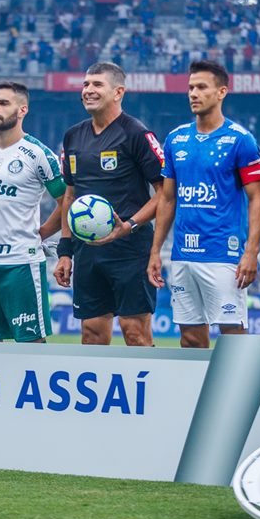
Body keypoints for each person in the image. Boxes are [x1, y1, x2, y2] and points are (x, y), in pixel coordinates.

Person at [147, 60, 260, 348]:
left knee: (233, 337)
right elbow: (168, 198)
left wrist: (251, 252)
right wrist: (155, 251)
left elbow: (257, 199)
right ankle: (195, 393)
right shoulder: (176, 138)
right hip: (183, 255)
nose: (193, 94)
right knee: (189, 338)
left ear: (222, 92)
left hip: (223, 255)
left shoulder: (241, 140)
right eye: (190, 88)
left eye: (201, 87)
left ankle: (240, 394)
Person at [53, 62, 164, 346]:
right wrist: (65, 251)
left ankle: (148, 389)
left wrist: (129, 226)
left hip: (130, 248)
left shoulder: (137, 134)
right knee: (91, 332)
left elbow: (164, 193)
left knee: (134, 331)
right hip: (87, 251)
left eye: (97, 85)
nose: (88, 90)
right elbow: (70, 195)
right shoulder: (72, 136)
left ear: (118, 92)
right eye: (86, 84)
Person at [0, 82, 65, 343]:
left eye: (3, 103)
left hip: (21, 263)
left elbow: (66, 200)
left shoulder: (38, 154)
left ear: (22, 110)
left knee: (31, 343)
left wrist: (43, 232)